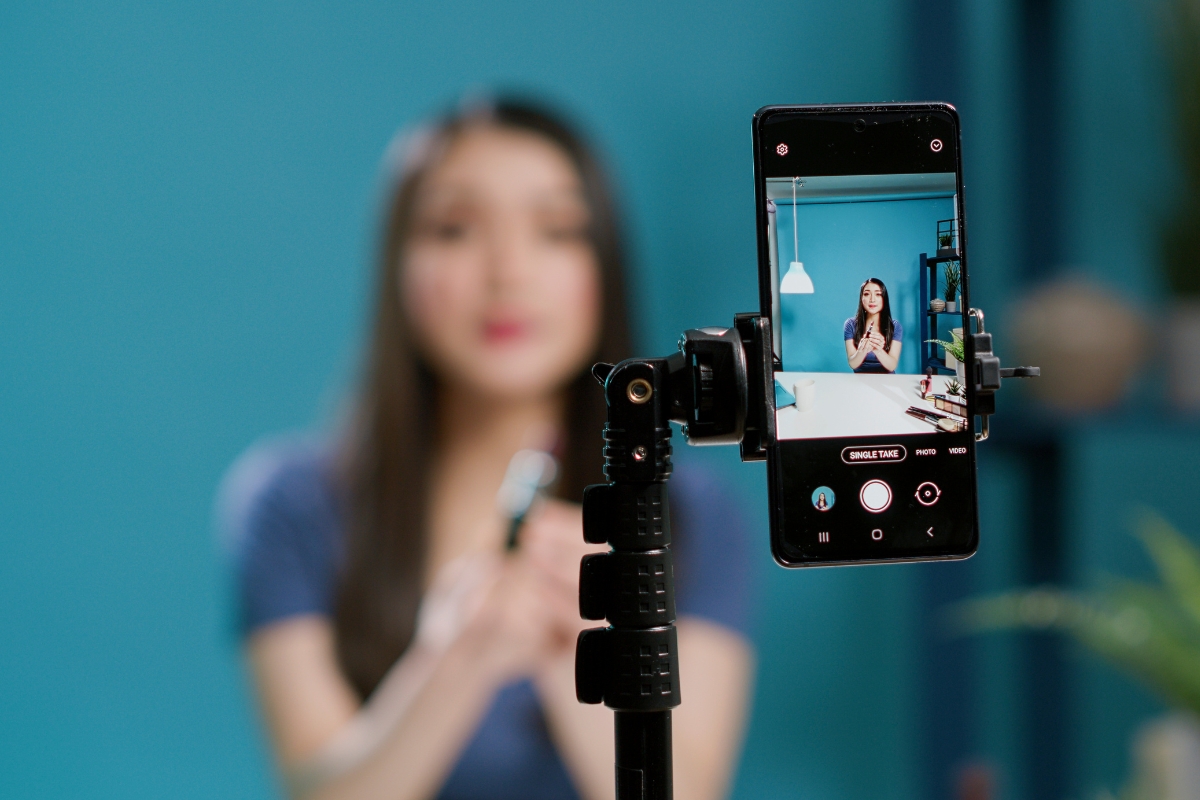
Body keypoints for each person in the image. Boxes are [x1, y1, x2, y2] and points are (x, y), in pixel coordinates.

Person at [220, 97, 754, 800]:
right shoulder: (290, 503)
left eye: (558, 230)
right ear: (398, 265)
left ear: (606, 266)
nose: (508, 272)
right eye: (455, 228)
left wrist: (583, 642)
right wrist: (454, 658)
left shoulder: (694, 517)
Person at [844, 277, 902, 373]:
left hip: (887, 380)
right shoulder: (850, 324)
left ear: (884, 298)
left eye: (878, 294)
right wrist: (862, 351)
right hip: (860, 381)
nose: (872, 299)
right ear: (861, 299)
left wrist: (878, 349)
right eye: (867, 294)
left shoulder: (895, 326)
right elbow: (852, 364)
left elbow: (892, 365)